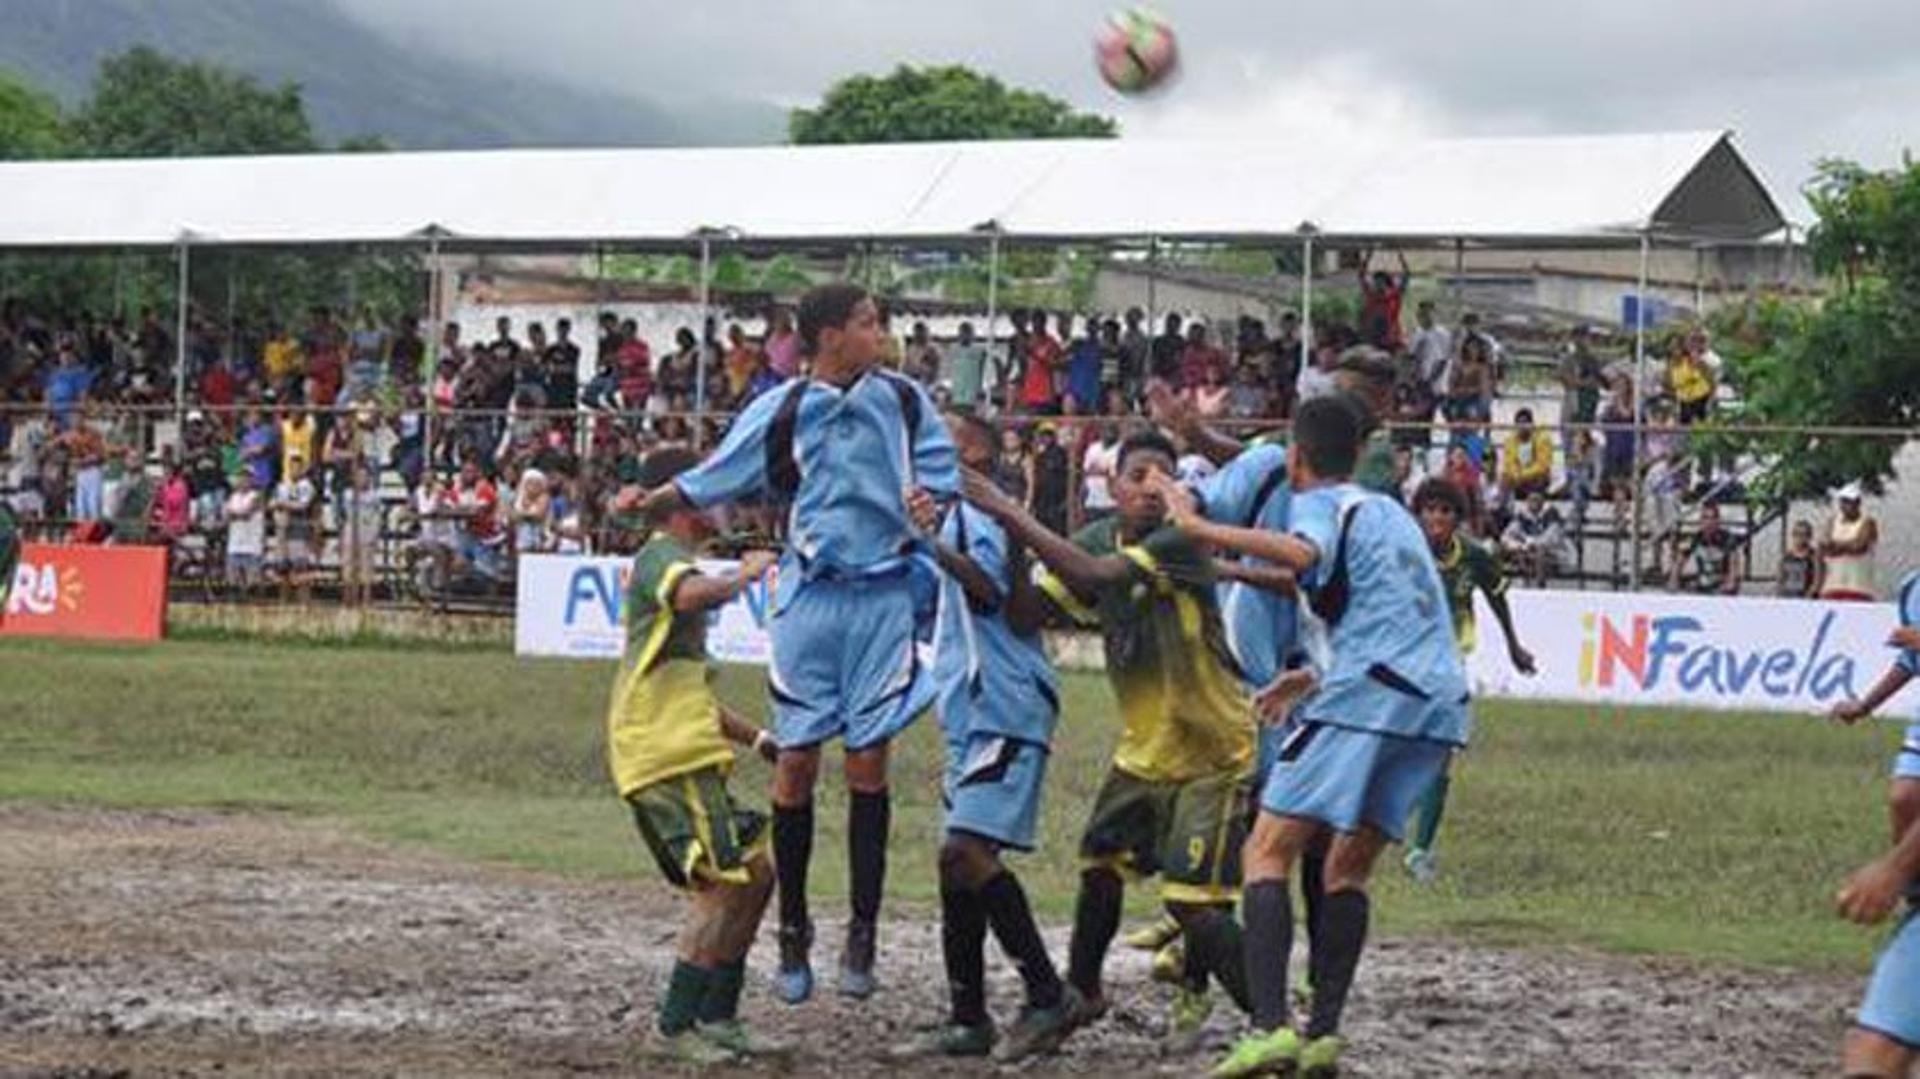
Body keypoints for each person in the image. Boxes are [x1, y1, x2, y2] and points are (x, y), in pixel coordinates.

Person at [624, 283, 957, 1005]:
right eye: (870, 323)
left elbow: (941, 479)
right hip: (811, 596)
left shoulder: (902, 400)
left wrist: (934, 503)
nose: (881, 333)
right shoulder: (782, 407)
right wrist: (654, 498)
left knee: (869, 763)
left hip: (885, 594)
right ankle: (794, 929)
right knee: (796, 762)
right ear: (830, 335)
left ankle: (862, 929)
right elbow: (720, 469)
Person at [1149, 396, 1469, 1078]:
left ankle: (1269, 1027)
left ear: (1295, 457)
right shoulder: (1390, 513)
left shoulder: (1317, 503)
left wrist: (1199, 523)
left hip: (1373, 691)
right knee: (1345, 866)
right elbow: (1377, 606)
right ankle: (1323, 1031)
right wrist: (1312, 677)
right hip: (1439, 702)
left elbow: (1299, 551)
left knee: (1266, 849)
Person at [961, 429, 1255, 1052]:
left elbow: (1094, 573)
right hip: (1146, 752)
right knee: (1099, 865)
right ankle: (1082, 993)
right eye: (1140, 473)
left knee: (1193, 905)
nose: (1153, 487)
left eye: (1165, 477)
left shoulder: (1180, 541)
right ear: (1113, 486)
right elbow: (1023, 613)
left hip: (1216, 753)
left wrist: (1010, 511)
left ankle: (1277, 1021)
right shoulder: (1097, 539)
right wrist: (1013, 538)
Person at [898, 414, 1069, 1061]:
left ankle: (1047, 993)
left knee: (965, 852)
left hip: (1006, 703)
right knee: (954, 864)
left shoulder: (980, 514)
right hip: (973, 710)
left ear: (976, 457)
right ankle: (968, 1017)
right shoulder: (949, 514)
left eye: (946, 443)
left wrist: (928, 540)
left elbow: (989, 587)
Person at [610, 446, 784, 1066]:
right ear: (682, 502)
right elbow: (690, 596)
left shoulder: (681, 563)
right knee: (716, 886)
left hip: (686, 749)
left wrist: (761, 740)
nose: (726, 501)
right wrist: (747, 573)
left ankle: (718, 1014)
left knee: (758, 874)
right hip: (662, 757)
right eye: (715, 489)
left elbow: (691, 697)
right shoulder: (663, 557)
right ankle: (674, 1026)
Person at [1407, 477, 1536, 880]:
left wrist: (1514, 645)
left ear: (1457, 518)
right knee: (1396, 748)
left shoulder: (1474, 557)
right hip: (1402, 663)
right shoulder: (1404, 553)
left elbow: (1497, 595)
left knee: (1442, 753)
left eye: (1445, 511)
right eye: (1430, 509)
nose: (1437, 517)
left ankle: (1420, 851)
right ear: (1419, 513)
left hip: (1448, 667)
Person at [1828, 569, 1920, 1079]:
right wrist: (1864, 705)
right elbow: (1910, 662)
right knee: (1873, 1056)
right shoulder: (1914, 586)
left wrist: (1893, 868)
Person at [270, 451, 317, 602]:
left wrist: (283, 504)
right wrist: (280, 505)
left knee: (300, 568)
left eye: (297, 468)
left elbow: (303, 505)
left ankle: (304, 603)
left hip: (299, 528)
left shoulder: (307, 486)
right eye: (291, 467)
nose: (294, 471)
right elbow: (272, 503)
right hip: (282, 529)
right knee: (283, 568)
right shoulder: (282, 486)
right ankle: (283, 602)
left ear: (302, 469)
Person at [1500, 490, 1573, 587]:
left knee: (1540, 550)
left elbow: (1553, 536)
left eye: (1536, 499)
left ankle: (1540, 585)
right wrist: (1520, 545)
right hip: (1528, 552)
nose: (1533, 502)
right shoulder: (1521, 516)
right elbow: (1506, 536)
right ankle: (1526, 583)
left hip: (1554, 554)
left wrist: (1534, 543)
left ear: (1542, 501)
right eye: (1531, 500)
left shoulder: (1551, 515)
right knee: (1519, 551)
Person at [1821, 484, 1879, 602]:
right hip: (1833, 585)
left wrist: (1836, 545)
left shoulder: (1867, 522)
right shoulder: (1832, 521)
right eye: (1843, 502)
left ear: (1858, 503)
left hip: (1859, 587)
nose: (1844, 506)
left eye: (1848, 502)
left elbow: (1859, 547)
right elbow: (1825, 547)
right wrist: (1848, 545)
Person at [1669, 503, 1743, 595]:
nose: (1709, 522)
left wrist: (1730, 584)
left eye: (1712, 518)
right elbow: (1679, 562)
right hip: (1703, 586)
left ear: (1717, 521)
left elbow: (1734, 567)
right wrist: (1674, 581)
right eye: (1705, 518)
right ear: (1701, 521)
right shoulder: (1695, 539)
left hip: (1722, 588)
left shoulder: (1728, 539)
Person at [1356, 250, 1410, 351]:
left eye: (1380, 283)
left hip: (1390, 339)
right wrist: (1368, 256)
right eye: (1375, 283)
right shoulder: (1371, 296)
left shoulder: (1394, 296)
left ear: (1386, 284)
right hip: (1371, 338)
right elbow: (1361, 276)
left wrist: (1401, 257)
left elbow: (1406, 277)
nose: (1377, 285)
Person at [223, 470, 266, 595]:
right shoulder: (233, 497)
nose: (243, 482)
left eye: (246, 479)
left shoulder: (256, 496)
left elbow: (247, 513)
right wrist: (236, 514)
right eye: (241, 478)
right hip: (235, 544)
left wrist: (235, 514)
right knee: (233, 583)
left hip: (252, 545)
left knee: (252, 584)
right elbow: (227, 515)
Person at [1499, 408, 1555, 500]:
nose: (1522, 426)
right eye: (1519, 423)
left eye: (1525, 422)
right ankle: (1504, 507)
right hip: (1519, 479)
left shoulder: (1542, 438)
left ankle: (1535, 500)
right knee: (1504, 477)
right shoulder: (1510, 441)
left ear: (1531, 424)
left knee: (1540, 477)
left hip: (1535, 478)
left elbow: (1543, 466)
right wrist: (1516, 474)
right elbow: (1508, 463)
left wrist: (1524, 475)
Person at [1081, 422, 1121, 525]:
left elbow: (1114, 473)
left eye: (1111, 431)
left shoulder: (1121, 449)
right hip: (1092, 500)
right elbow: (1086, 472)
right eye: (1106, 431)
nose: (1108, 434)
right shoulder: (1093, 448)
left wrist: (1102, 471)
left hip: (1112, 502)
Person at [946, 321, 988, 413]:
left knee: (970, 415)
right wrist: (950, 389)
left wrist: (980, 388)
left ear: (973, 335)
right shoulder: (953, 350)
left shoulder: (979, 351)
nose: (964, 336)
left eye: (968, 333)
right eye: (962, 333)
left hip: (972, 391)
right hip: (957, 391)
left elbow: (983, 370)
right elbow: (951, 371)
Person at [1778, 520, 1822, 599]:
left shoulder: (1814, 556)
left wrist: (1808, 596)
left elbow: (1817, 581)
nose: (1801, 538)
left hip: (1806, 597)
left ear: (1810, 536)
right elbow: (1781, 578)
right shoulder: (1786, 556)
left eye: (1805, 535)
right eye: (1797, 534)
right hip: (1787, 595)